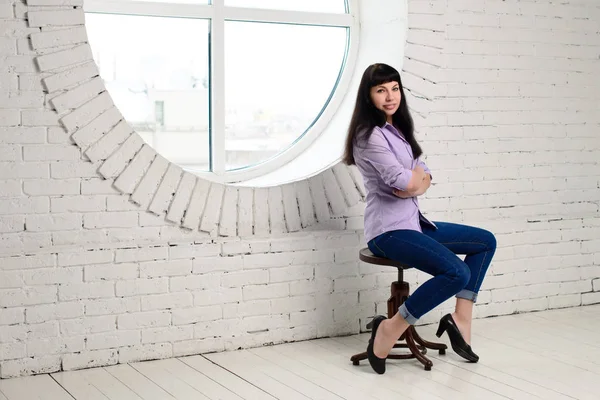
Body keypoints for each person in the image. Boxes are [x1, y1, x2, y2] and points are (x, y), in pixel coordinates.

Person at [343, 63, 497, 374]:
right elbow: (407, 181)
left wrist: (415, 183)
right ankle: (390, 328)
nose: (390, 96)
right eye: (381, 90)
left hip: (413, 224)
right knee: (456, 272)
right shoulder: (369, 136)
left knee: (484, 242)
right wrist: (413, 183)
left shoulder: (397, 129)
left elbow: (421, 176)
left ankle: (460, 319)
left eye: (395, 88)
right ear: (368, 96)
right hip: (388, 232)